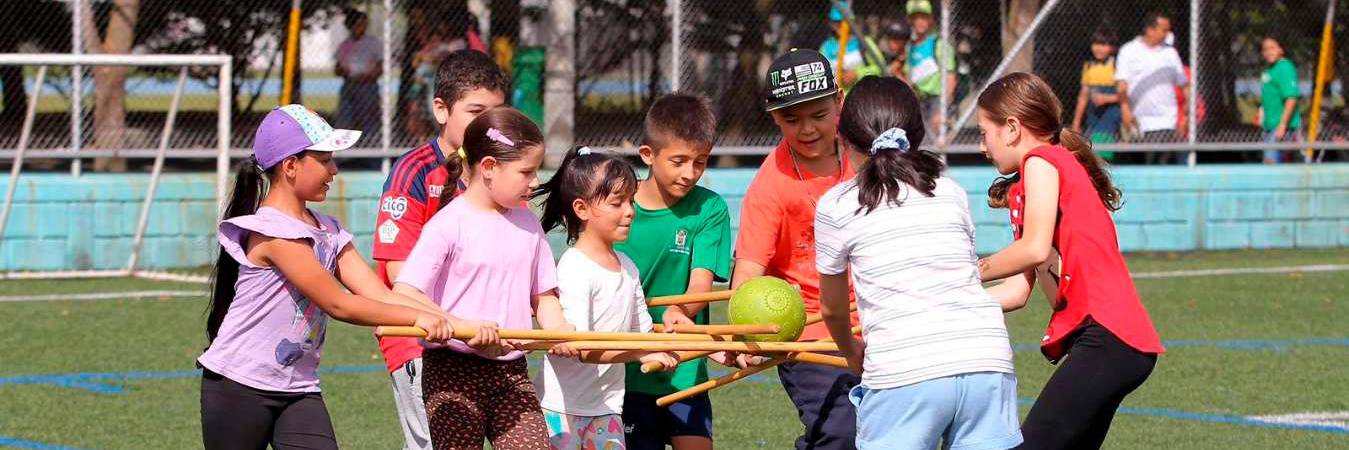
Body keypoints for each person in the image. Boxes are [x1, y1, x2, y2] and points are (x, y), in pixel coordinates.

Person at [198, 105, 454, 449]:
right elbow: (339, 304)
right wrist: (419, 318)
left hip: (298, 388)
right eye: (324, 160)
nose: (334, 170)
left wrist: (454, 322)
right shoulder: (274, 233)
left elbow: (380, 293)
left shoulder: (330, 230)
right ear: (290, 166)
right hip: (238, 385)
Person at [817, 75, 1021, 450]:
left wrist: (849, 348)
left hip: (903, 370)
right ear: (918, 135)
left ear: (842, 139)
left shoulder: (837, 205)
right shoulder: (950, 191)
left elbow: (832, 308)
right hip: (986, 360)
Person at [975, 73, 1164, 450]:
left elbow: (1034, 249)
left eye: (984, 133)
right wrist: (947, 300)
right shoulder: (1033, 178)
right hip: (1113, 343)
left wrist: (965, 273)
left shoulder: (1042, 161)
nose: (983, 147)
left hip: (1109, 337)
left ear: (1011, 128)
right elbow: (1016, 291)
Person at [394, 107, 565, 450]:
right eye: (526, 172)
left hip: (511, 371)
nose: (535, 182)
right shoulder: (448, 224)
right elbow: (405, 292)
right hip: (451, 371)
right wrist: (460, 326)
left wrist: (559, 331)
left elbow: (544, 296)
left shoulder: (529, 224)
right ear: (488, 167)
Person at [372, 49, 510, 450]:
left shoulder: (500, 175)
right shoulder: (413, 173)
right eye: (475, 112)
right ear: (441, 110)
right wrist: (456, 322)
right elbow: (398, 272)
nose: (486, 125)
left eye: (495, 114)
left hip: (484, 338)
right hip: (420, 337)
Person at [734, 48, 860, 450]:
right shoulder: (769, 185)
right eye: (792, 119)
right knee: (841, 432)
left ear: (839, 101)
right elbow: (748, 272)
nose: (807, 129)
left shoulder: (863, 155)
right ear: (774, 117)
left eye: (819, 115)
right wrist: (744, 334)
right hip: (811, 333)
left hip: (877, 319)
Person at [532, 146, 681, 450]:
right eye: (617, 203)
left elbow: (643, 333)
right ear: (582, 209)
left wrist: (705, 347)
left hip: (607, 407)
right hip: (561, 410)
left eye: (630, 201)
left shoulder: (628, 267)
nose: (630, 211)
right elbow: (583, 348)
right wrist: (641, 352)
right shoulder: (575, 266)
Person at [613, 93, 730, 450]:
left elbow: (700, 284)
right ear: (648, 154)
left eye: (700, 162)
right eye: (678, 161)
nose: (689, 173)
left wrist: (681, 310)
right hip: (627, 369)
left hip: (684, 366)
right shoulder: (617, 206)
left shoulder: (710, 208)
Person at [1115, 12, 1188, 164]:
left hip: (1166, 123)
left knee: (1163, 167)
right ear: (1150, 30)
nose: (1167, 34)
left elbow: (1185, 86)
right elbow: (1122, 84)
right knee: (1140, 167)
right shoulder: (1129, 51)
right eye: (1164, 30)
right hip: (1138, 124)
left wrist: (1186, 117)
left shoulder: (1170, 53)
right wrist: (1125, 110)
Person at [904, 0, 956, 136]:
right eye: (916, 18)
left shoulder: (939, 45)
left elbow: (951, 79)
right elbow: (909, 77)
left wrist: (942, 110)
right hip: (919, 101)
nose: (920, 22)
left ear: (931, 19)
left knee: (938, 137)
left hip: (938, 100)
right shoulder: (910, 47)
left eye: (924, 17)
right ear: (910, 21)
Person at [1070, 28, 1121, 161]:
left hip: (1111, 116)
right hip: (1093, 117)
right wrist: (1076, 122)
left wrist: (1107, 98)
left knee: (1103, 155)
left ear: (1113, 48)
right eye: (1096, 44)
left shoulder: (1118, 66)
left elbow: (1126, 95)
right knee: (1091, 152)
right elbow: (1083, 96)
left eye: (1103, 44)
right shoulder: (1089, 66)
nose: (1098, 48)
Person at [334, 9, 383, 141]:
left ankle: (371, 143)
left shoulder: (373, 43)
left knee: (369, 118)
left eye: (365, 24)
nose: (362, 27)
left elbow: (380, 67)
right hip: (350, 85)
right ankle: (345, 146)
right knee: (346, 117)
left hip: (368, 86)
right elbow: (337, 69)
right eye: (359, 24)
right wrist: (345, 72)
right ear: (351, 25)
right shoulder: (344, 45)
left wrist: (368, 76)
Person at [818, 1, 886, 91]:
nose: (839, 26)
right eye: (835, 22)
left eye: (842, 22)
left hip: (863, 93)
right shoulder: (826, 47)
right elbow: (819, 76)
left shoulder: (864, 42)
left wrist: (858, 74)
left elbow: (880, 68)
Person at [1256, 35, 1302, 164]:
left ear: (1281, 49)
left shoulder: (1285, 67)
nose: (1268, 52)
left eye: (1272, 48)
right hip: (1269, 126)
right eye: (1265, 49)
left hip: (1281, 127)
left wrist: (1283, 124)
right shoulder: (1269, 70)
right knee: (1274, 163)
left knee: (1270, 163)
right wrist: (1261, 113)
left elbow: (1291, 98)